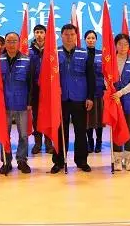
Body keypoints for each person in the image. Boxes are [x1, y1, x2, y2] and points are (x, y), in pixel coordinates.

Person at [51, 24, 95, 173]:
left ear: (76, 36)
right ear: (61, 36)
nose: (69, 37)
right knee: (60, 131)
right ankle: (59, 161)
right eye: (66, 34)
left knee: (80, 131)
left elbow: (91, 76)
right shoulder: (54, 53)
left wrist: (90, 97)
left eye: (72, 34)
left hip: (80, 98)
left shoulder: (84, 53)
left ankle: (82, 161)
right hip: (60, 99)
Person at [0, 32, 33, 174]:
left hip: (22, 103)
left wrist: (29, 101)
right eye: (9, 41)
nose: (11, 44)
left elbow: (31, 83)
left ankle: (22, 160)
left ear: (19, 43)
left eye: (14, 41)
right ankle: (6, 161)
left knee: (23, 135)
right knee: (4, 135)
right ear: (5, 43)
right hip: (4, 104)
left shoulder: (27, 60)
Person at [110, 33, 130, 171]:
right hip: (114, 100)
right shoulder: (110, 61)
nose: (123, 47)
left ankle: (129, 158)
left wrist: (121, 93)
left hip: (129, 99)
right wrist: (112, 91)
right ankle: (117, 158)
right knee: (116, 128)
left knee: (129, 129)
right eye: (120, 44)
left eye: (126, 44)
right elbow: (106, 78)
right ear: (115, 45)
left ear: (129, 46)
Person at [29, 24, 54, 155]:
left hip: (48, 89)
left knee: (48, 116)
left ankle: (49, 144)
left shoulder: (51, 50)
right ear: (34, 34)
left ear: (45, 34)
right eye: (37, 32)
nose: (39, 35)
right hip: (34, 89)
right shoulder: (28, 51)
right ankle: (37, 143)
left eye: (41, 32)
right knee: (36, 117)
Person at [85, 30, 104, 153]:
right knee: (88, 119)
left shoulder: (102, 54)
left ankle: (99, 141)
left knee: (99, 118)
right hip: (85, 91)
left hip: (99, 90)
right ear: (85, 40)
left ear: (96, 40)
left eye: (93, 38)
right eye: (88, 38)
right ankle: (90, 141)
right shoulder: (82, 54)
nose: (91, 40)